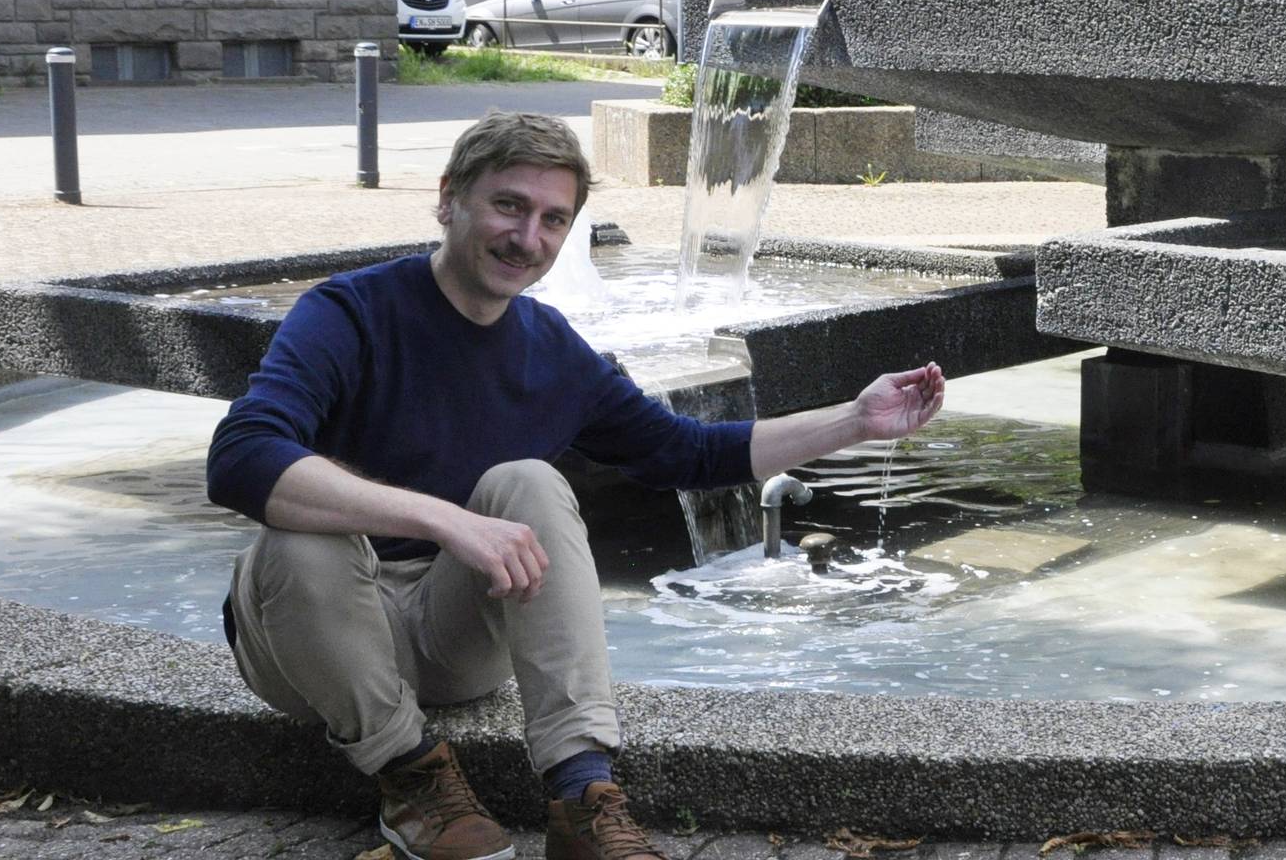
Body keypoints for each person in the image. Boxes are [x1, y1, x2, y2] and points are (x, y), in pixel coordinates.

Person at [206, 112, 948, 860]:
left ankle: (582, 799)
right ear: (449, 198)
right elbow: (241, 456)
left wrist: (855, 420)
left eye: (553, 219)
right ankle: (413, 781)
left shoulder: (551, 349)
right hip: (312, 645)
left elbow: (686, 453)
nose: (528, 238)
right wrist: (446, 520)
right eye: (509, 205)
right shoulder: (350, 312)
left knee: (529, 482)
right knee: (301, 540)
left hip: (449, 637)